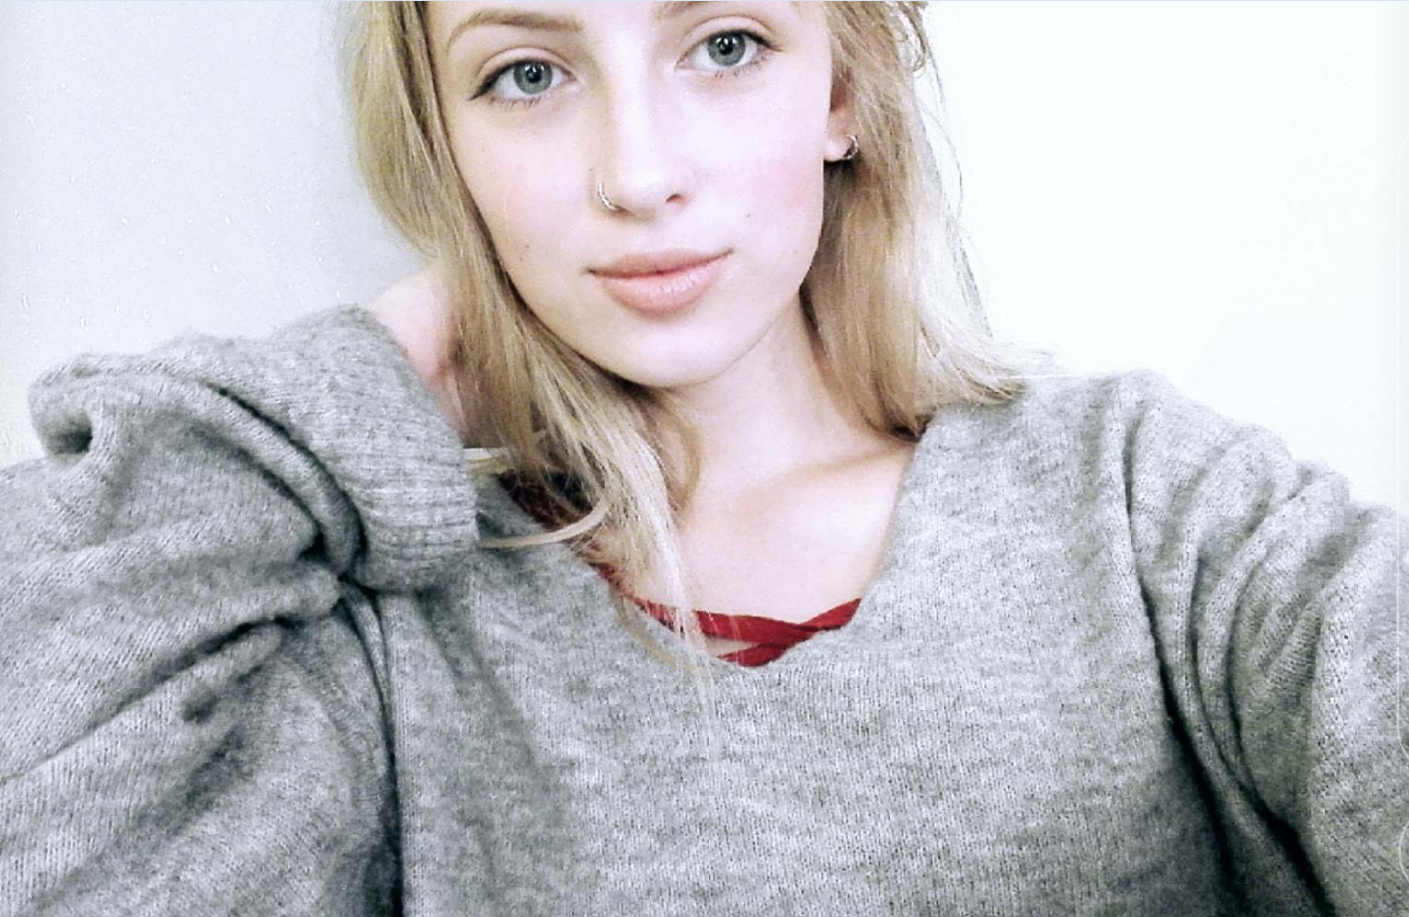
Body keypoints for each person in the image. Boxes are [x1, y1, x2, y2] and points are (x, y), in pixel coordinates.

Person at [0, 2, 1402, 914]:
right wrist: (346, 393)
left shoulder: (1144, 506)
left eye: (725, 44)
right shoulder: (389, 645)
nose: (638, 173)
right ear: (445, 145)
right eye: (527, 75)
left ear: (842, 89)